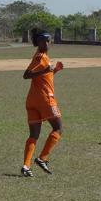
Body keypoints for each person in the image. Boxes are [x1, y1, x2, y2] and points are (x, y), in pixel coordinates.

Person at [21, 30, 64, 177]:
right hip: (45, 99)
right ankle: (42, 158)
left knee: (34, 134)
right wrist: (46, 69)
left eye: (48, 40)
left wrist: (54, 71)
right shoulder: (40, 56)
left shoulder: (42, 56)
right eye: (43, 41)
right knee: (58, 128)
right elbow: (26, 75)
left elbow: (42, 76)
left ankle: (26, 166)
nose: (46, 43)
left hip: (32, 100)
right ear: (38, 42)